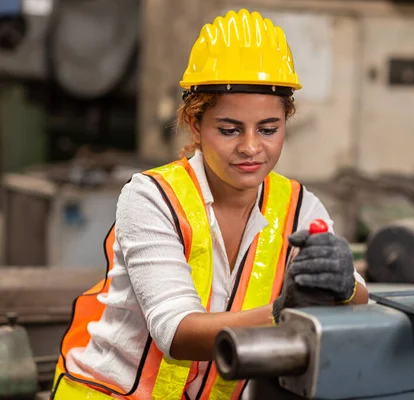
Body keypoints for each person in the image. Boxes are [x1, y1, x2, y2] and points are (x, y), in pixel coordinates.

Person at [51, 8, 369, 400]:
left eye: (268, 129)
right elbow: (177, 331)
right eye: (229, 129)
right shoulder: (151, 198)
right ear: (195, 124)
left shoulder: (300, 207)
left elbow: (358, 299)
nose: (251, 147)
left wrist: (342, 287)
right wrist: (282, 313)